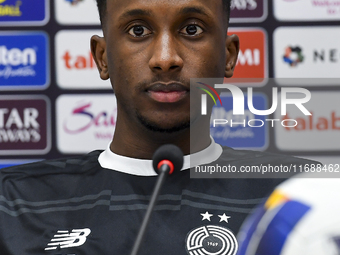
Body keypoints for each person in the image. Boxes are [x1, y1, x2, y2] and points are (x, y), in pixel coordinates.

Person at [0, 0, 318, 254]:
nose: (165, 59)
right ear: (102, 57)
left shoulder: (300, 192)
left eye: (192, 29)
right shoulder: (13, 202)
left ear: (228, 55)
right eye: (138, 31)